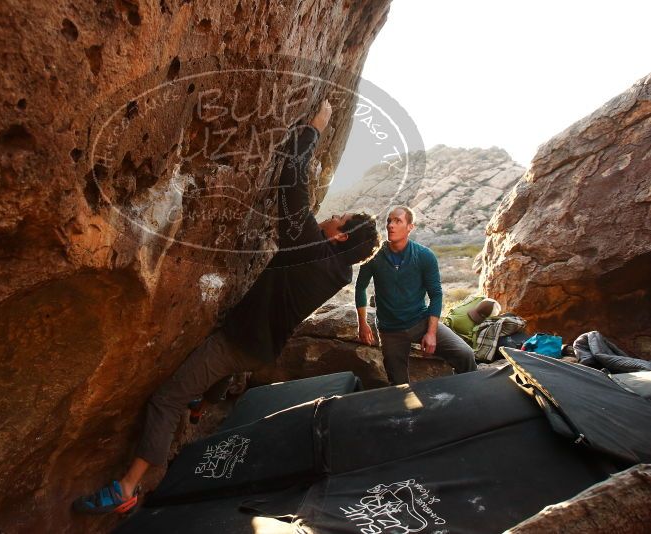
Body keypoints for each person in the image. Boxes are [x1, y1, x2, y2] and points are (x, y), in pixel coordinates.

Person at [73, 100, 382, 514]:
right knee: (216, 371)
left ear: (340, 237)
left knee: (166, 399)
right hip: (259, 347)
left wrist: (316, 127)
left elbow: (292, 179)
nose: (331, 216)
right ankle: (202, 404)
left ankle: (128, 488)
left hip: (238, 342)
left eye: (338, 217)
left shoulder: (310, 248)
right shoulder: (335, 271)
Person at [355, 206, 476, 386]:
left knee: (465, 354)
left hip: (420, 321)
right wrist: (362, 324)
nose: (390, 225)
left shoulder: (424, 255)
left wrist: (431, 333)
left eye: (397, 221)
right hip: (390, 330)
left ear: (410, 227)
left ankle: (473, 391)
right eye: (389, 221)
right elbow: (360, 288)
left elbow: (436, 294)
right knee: (398, 384)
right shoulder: (374, 255)